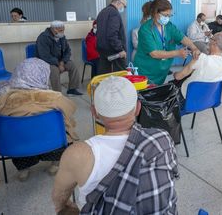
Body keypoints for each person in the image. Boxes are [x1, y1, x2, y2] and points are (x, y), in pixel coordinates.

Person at [52, 76, 178, 214]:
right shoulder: (161, 139)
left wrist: (63, 207)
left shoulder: (77, 155)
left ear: (95, 113)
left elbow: (60, 195)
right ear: (138, 108)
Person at [0, 58, 79, 182]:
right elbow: (71, 109)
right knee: (66, 127)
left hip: (17, 148)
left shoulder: (3, 100)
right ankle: (55, 164)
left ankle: (23, 170)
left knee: (17, 135)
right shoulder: (55, 98)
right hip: (52, 144)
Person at [134, 0, 200, 85]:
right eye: (165, 15)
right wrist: (177, 53)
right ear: (155, 13)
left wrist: (194, 48)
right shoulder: (145, 30)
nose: (167, 18)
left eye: (169, 16)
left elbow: (182, 38)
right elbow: (154, 53)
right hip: (146, 71)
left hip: (161, 71)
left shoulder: (168, 26)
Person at [173, 32, 222, 98]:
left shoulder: (201, 58)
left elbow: (178, 76)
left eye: (211, 38)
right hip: (208, 98)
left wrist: (175, 74)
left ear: (214, 42)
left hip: (188, 96)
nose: (209, 40)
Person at [35, 21, 82, 95]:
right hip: (47, 62)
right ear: (54, 29)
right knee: (54, 71)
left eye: (63, 30)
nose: (62, 32)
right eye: (61, 30)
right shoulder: (43, 37)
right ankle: (57, 94)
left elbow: (67, 51)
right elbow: (45, 56)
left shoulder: (61, 37)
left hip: (60, 61)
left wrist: (62, 62)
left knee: (72, 65)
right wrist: (58, 64)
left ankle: (72, 89)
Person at [96, 0, 128, 74]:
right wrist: (120, 49)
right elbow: (112, 35)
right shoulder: (114, 13)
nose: (123, 8)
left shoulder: (102, 12)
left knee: (104, 76)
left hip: (102, 50)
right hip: (115, 52)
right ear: (118, 2)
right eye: (124, 6)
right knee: (120, 77)